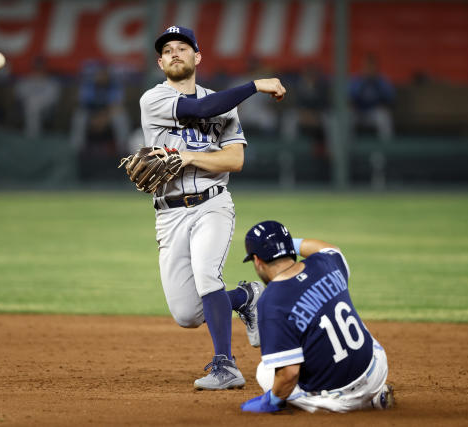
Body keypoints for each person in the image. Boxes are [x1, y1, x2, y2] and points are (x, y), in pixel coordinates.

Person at [138, 26, 286, 390]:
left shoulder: (225, 104)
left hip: (212, 205)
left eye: (183, 48)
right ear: (160, 62)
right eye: (168, 50)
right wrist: (256, 85)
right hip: (169, 213)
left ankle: (226, 366)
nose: (175, 53)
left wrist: (186, 157)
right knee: (187, 314)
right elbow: (201, 108)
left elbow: (234, 161)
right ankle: (247, 297)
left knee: (207, 276)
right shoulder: (152, 99)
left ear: (197, 57)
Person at [239, 220, 394, 413]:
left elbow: (289, 373)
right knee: (335, 309)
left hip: (343, 398)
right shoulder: (325, 263)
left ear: (257, 260)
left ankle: (350, 403)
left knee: (265, 372)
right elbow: (329, 248)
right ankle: (373, 395)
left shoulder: (272, 301)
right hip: (377, 369)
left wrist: (271, 401)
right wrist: (284, 243)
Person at [349, 54, 395, 141]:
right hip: (359, 112)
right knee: (347, 117)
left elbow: (390, 97)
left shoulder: (381, 80)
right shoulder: (357, 79)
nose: (369, 68)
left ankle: (384, 151)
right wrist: (363, 82)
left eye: (371, 66)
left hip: (374, 112)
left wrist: (376, 82)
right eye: (367, 66)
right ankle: (349, 149)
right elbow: (351, 96)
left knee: (384, 117)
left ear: (376, 67)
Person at [14, 56, 60, 138]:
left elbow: (53, 99)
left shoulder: (51, 82)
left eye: (40, 67)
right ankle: (33, 133)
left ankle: (31, 133)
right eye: (37, 67)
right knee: (31, 104)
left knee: (33, 104)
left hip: (46, 109)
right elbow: (19, 94)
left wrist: (38, 100)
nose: (38, 69)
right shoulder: (26, 80)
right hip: (27, 106)